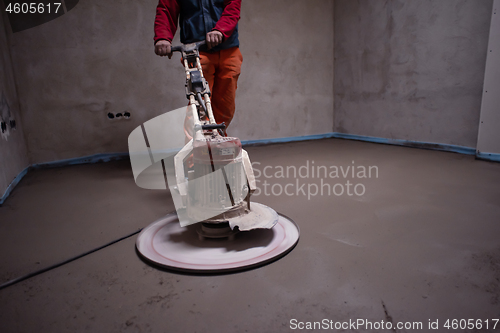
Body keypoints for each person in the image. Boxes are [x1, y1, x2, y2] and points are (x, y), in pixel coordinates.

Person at [154, 0, 243, 129]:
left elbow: (232, 7)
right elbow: (166, 10)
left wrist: (220, 30)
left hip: (228, 51)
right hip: (196, 52)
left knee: (225, 106)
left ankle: (216, 142)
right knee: (199, 105)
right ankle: (196, 145)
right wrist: (163, 37)